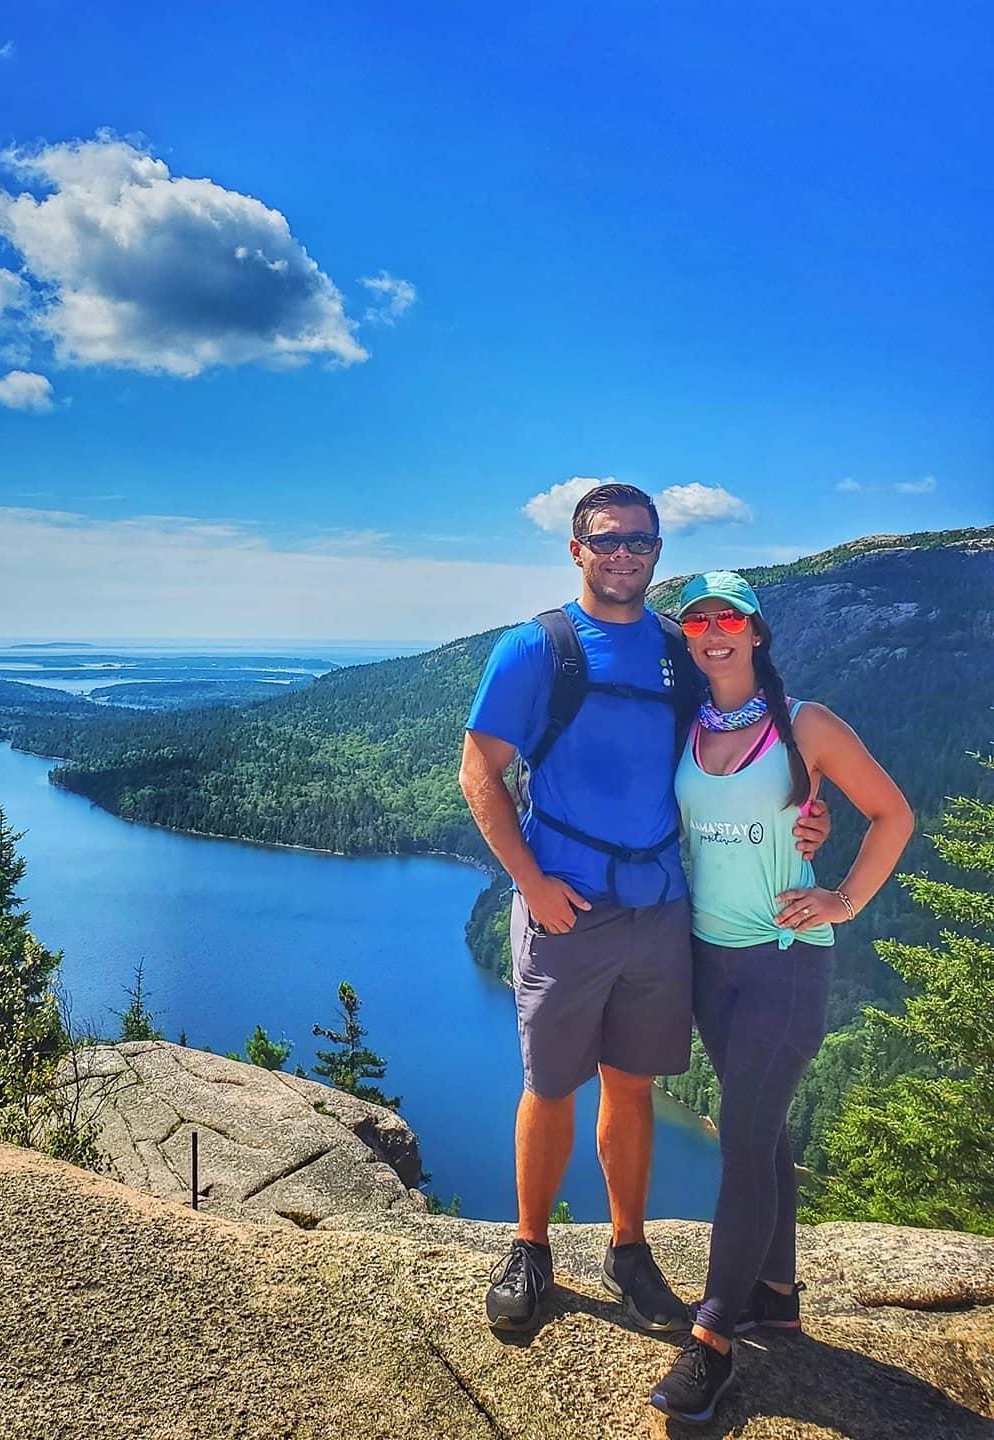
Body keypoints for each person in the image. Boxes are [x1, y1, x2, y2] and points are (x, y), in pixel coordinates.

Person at [459, 483, 828, 1337]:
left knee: (631, 1085)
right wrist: (529, 884)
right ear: (576, 549)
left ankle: (630, 1251)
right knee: (550, 1085)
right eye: (607, 539)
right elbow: (480, 771)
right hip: (566, 906)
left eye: (641, 541)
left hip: (661, 908)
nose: (624, 554)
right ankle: (531, 1248)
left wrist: (813, 803)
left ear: (658, 552)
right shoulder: (536, 648)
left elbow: (754, 730)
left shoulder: (677, 648)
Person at [648, 572, 913, 1425]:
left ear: (757, 632)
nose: (713, 632)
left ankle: (714, 1342)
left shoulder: (806, 725)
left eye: (730, 618)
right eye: (698, 620)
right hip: (710, 959)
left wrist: (845, 898)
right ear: (687, 638)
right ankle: (776, 1293)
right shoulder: (690, 727)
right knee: (754, 1131)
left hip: (784, 961)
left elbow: (893, 815)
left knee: (746, 1141)